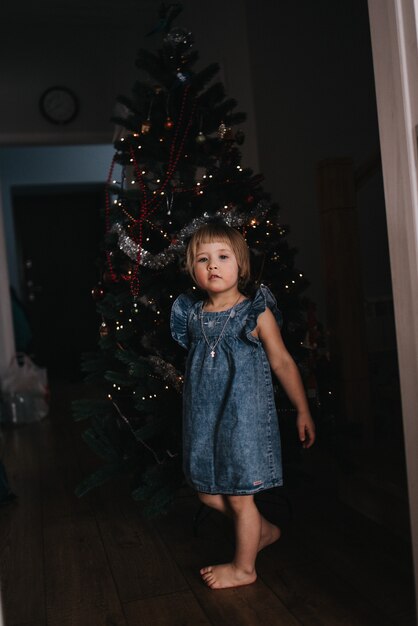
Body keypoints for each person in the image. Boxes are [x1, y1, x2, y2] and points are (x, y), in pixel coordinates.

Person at [170, 221, 315, 590]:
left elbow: (282, 362)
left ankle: (244, 567)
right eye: (203, 259)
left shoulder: (255, 312)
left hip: (244, 419)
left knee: (239, 498)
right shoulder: (192, 315)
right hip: (205, 419)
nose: (213, 265)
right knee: (205, 491)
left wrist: (302, 409)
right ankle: (262, 530)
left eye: (222, 257)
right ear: (193, 268)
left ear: (241, 266)